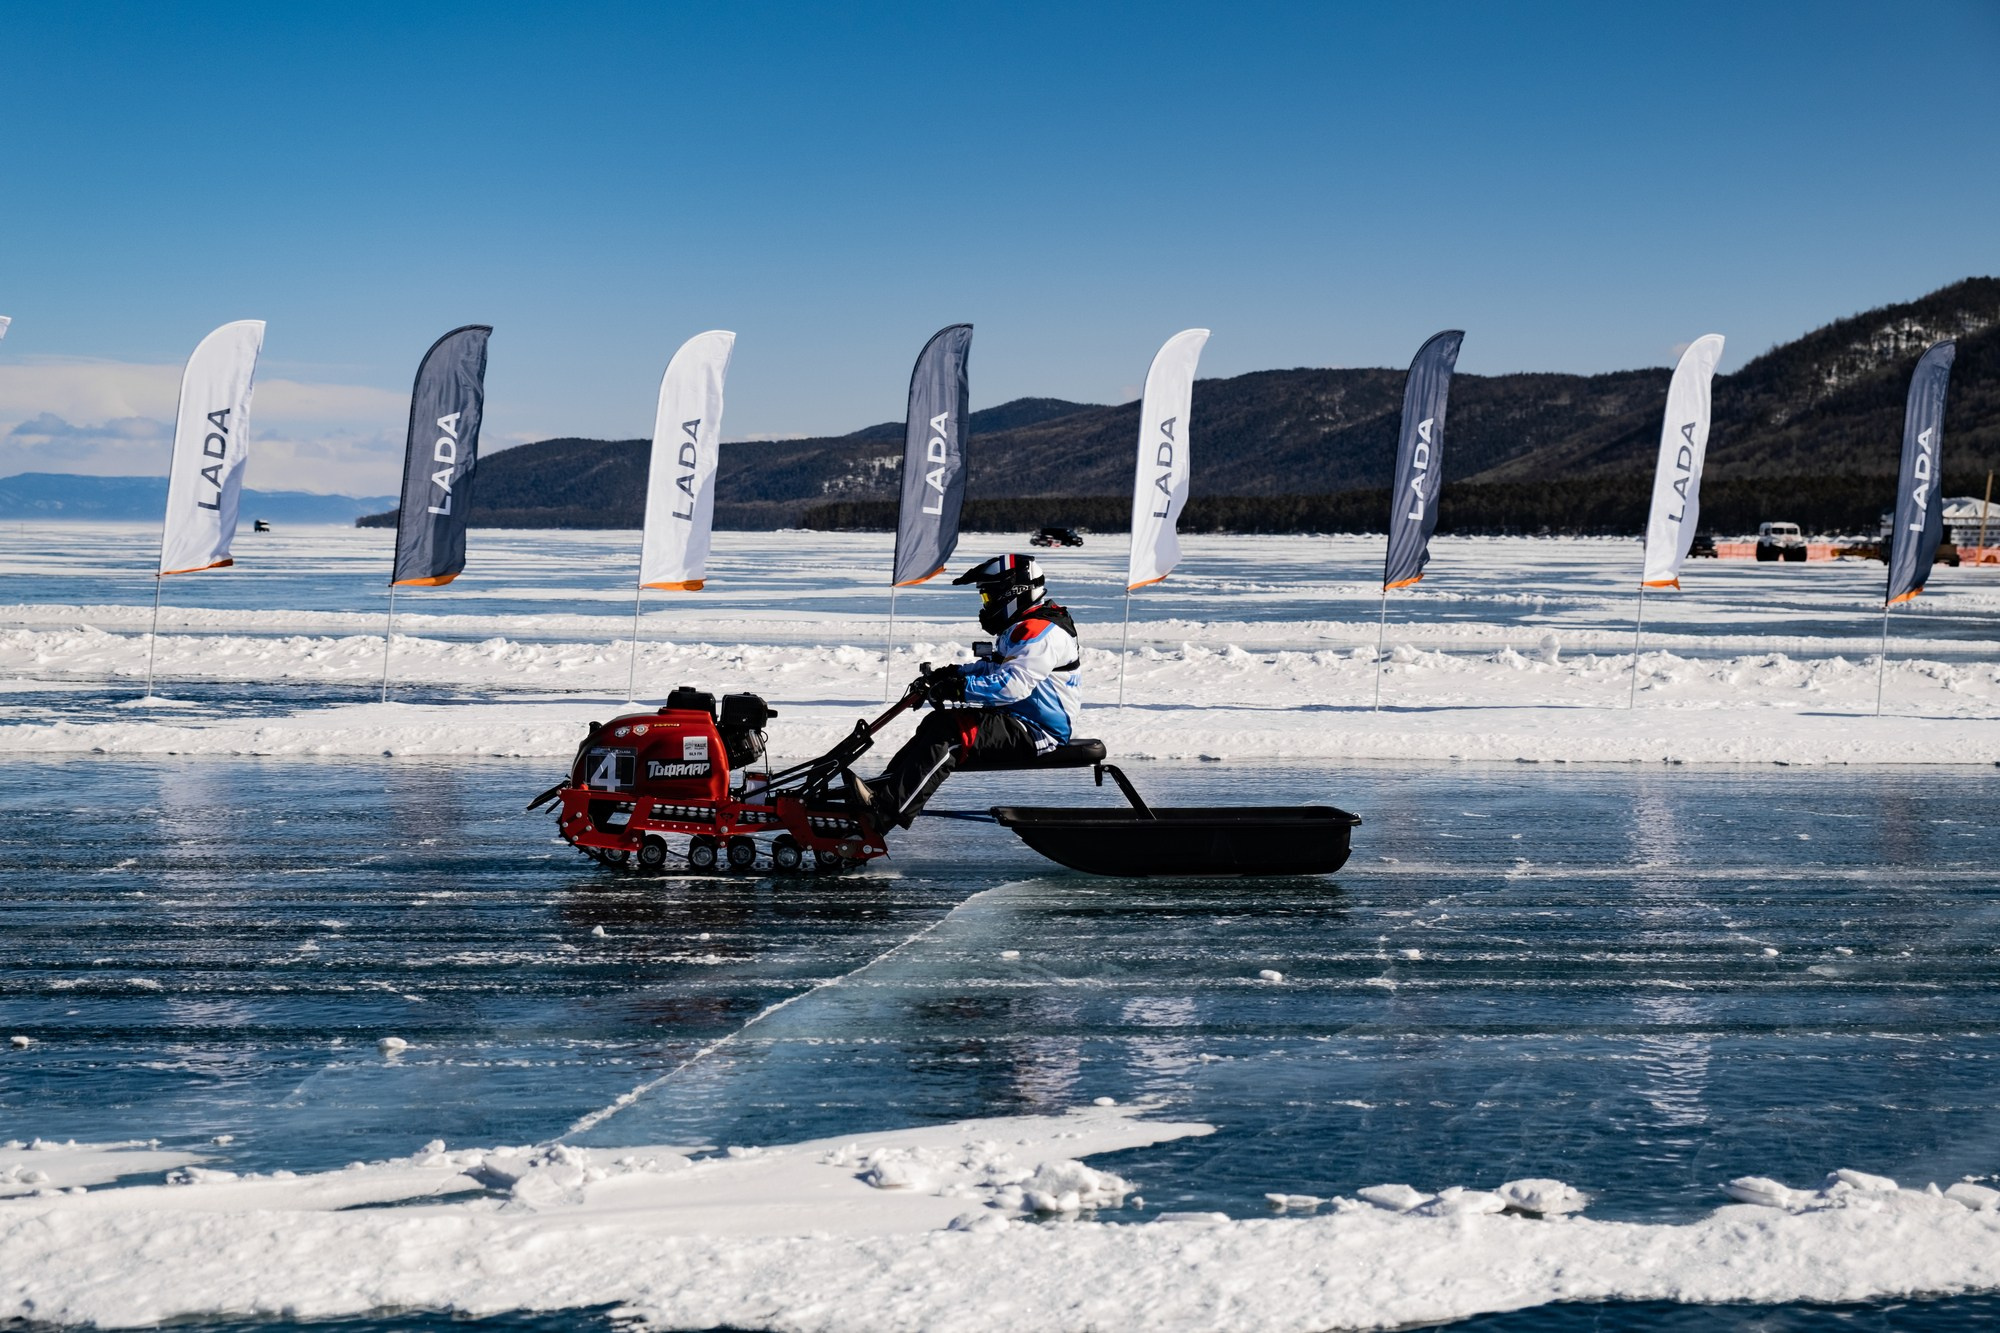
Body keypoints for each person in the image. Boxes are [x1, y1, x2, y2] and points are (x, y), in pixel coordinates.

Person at [853, 553, 1081, 829]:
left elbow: (1011, 686)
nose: (987, 604)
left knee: (950, 734)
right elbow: (996, 669)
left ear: (1013, 593)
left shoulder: (1039, 631)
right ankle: (882, 792)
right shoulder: (1025, 625)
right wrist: (952, 674)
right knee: (936, 723)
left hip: (1037, 731)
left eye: (989, 596)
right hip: (1017, 719)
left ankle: (884, 814)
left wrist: (958, 689)